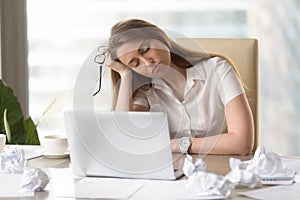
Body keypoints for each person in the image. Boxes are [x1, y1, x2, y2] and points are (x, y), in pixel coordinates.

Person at [106, 19, 254, 155]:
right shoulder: (144, 92)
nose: (147, 62)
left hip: (220, 169)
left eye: (145, 49)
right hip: (172, 173)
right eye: (135, 63)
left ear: (159, 37)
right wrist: (125, 75)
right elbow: (126, 140)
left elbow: (242, 143)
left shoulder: (218, 70)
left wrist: (177, 145)